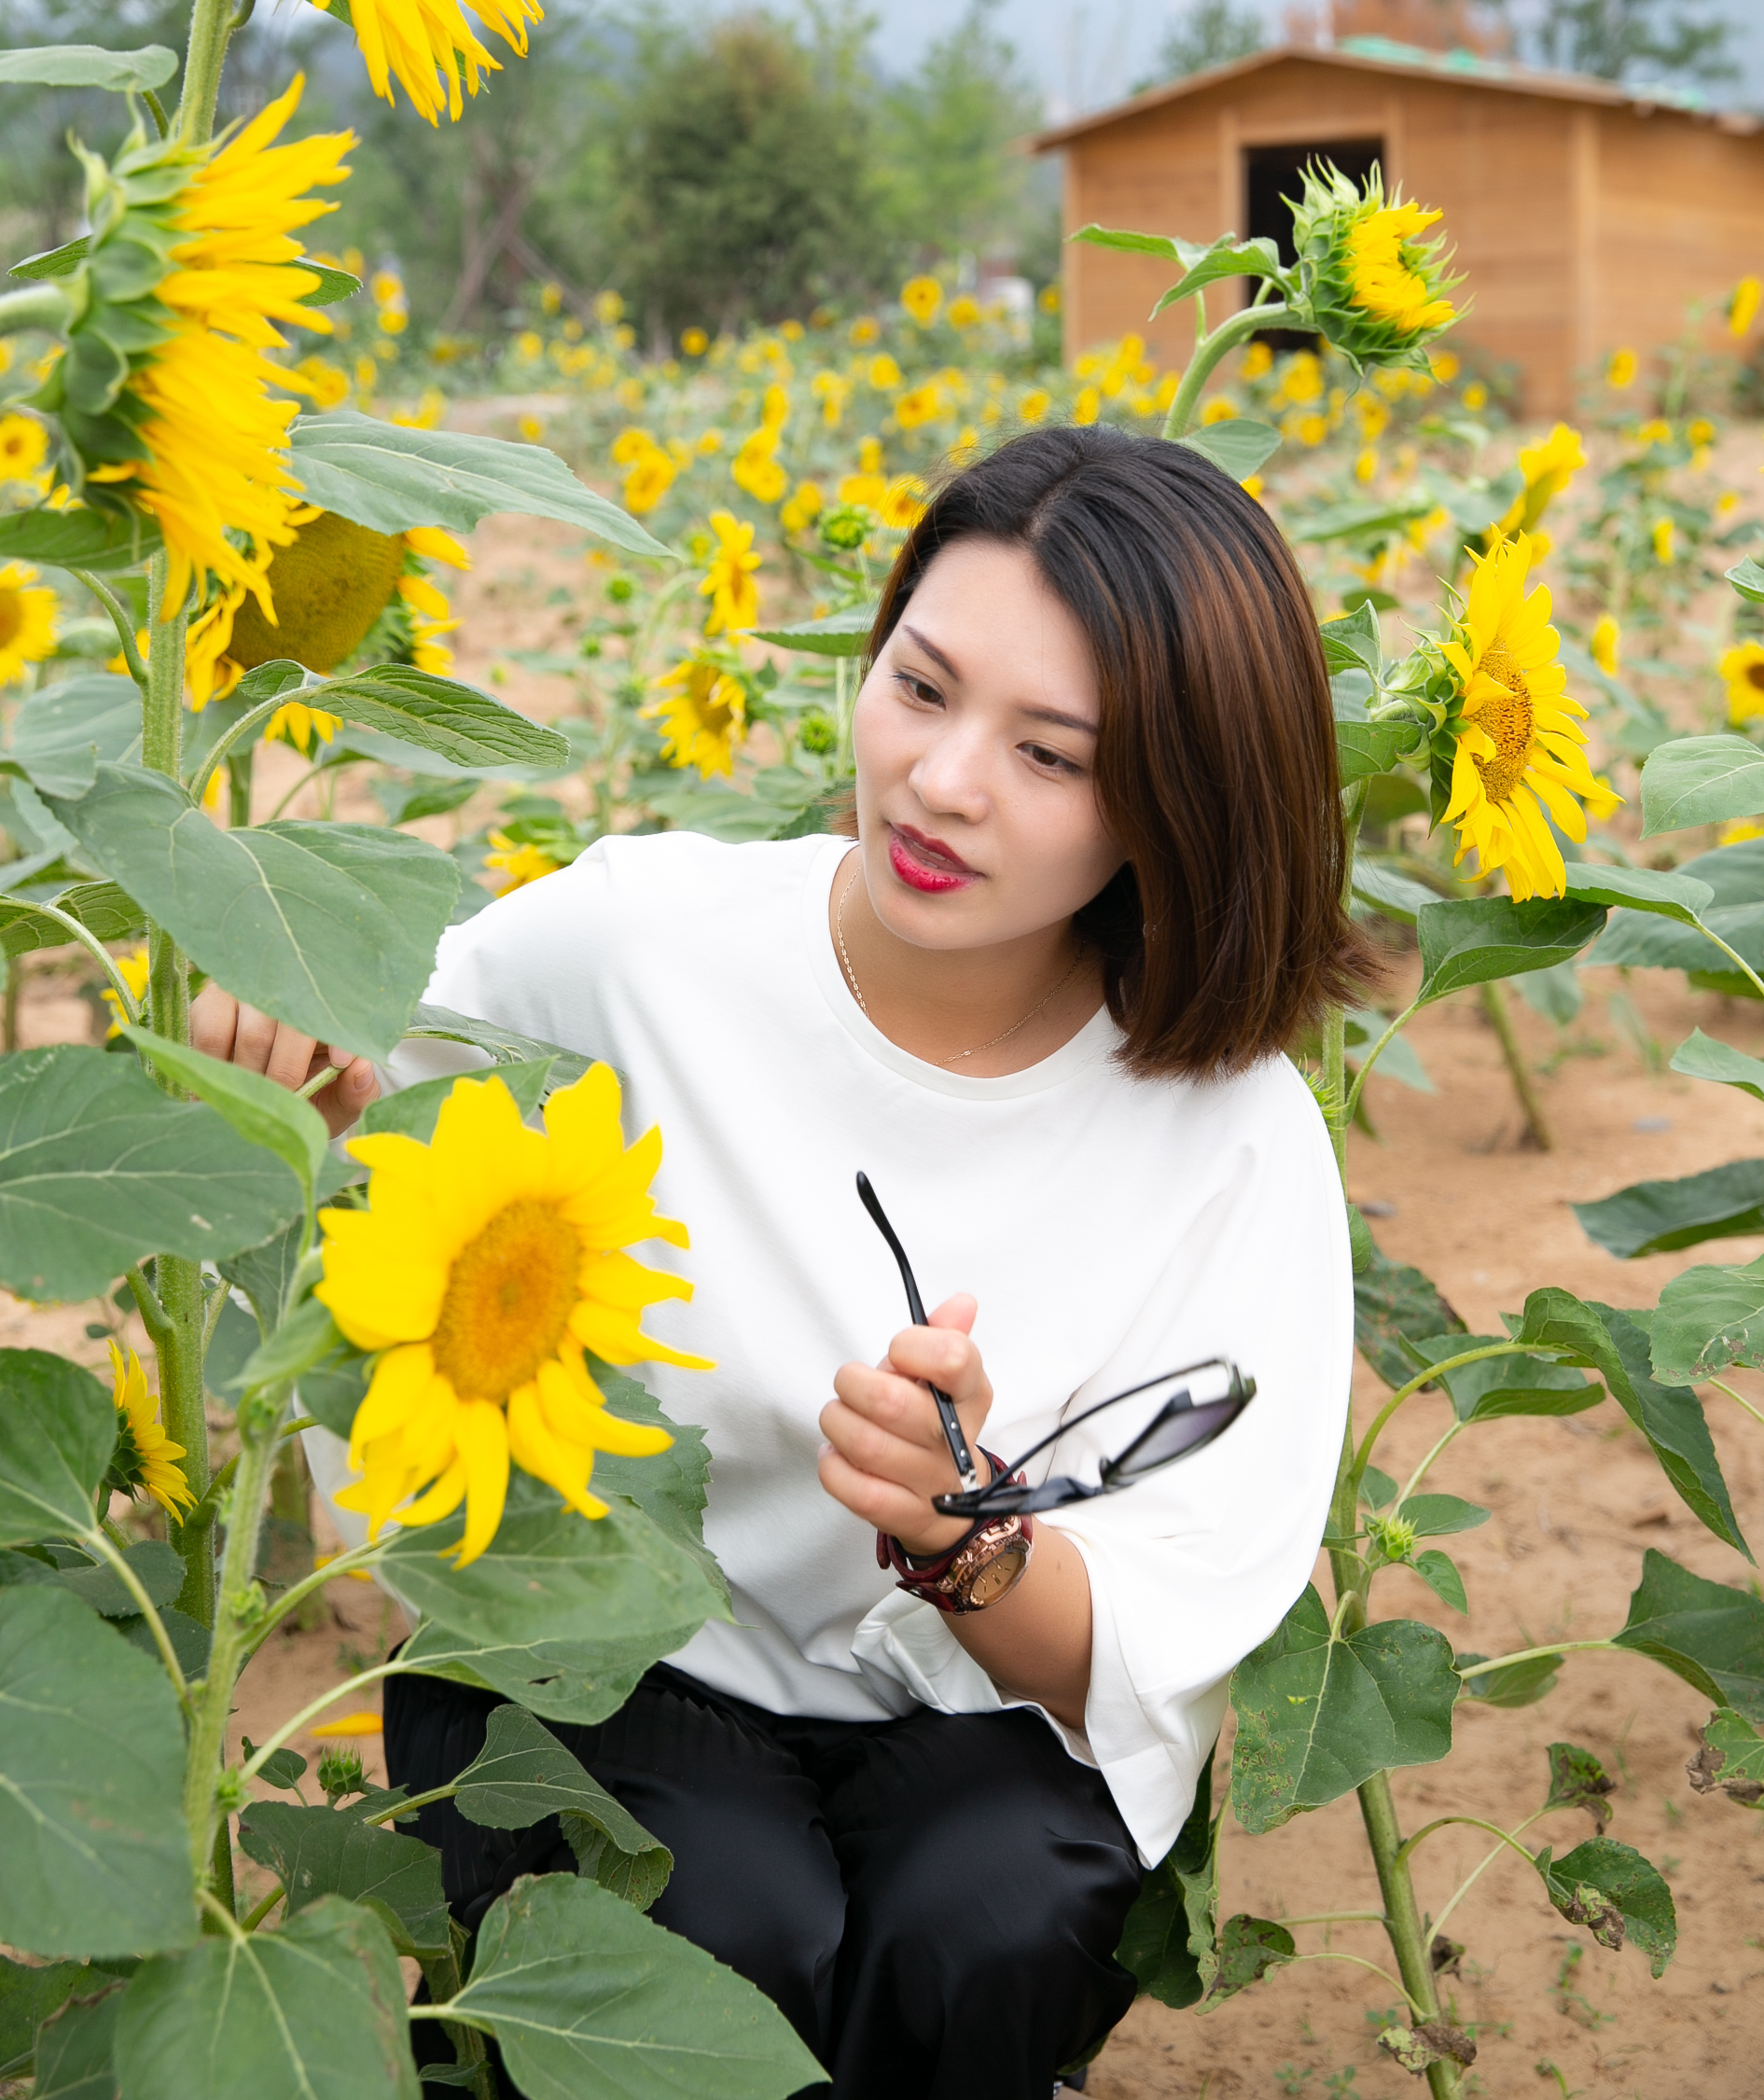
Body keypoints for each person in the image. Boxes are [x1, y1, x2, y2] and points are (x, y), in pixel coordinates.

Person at [196, 423, 1369, 2100]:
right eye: (922, 686)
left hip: (978, 1707)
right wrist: (296, 1057)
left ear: (1176, 806)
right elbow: (385, 1106)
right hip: (609, 1647)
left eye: (1052, 754)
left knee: (986, 1928)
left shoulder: (1230, 1137)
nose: (944, 780)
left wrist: (960, 1536)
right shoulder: (636, 950)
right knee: (712, 1921)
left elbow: (1150, 1623)